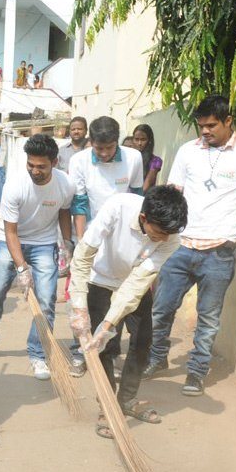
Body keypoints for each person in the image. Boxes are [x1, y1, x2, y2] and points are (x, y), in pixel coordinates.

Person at [144, 95, 236, 397]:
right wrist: (160, 238)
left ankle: (197, 372)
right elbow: (172, 195)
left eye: (212, 125)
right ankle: (156, 357)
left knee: (209, 317)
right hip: (181, 247)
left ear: (228, 121)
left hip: (220, 251)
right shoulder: (188, 152)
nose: (205, 131)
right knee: (161, 308)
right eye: (201, 126)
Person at [69, 186, 187, 438]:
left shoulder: (172, 237)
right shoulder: (118, 207)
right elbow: (82, 256)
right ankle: (107, 405)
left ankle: (127, 399)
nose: (164, 239)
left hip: (133, 281)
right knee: (105, 349)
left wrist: (108, 325)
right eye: (160, 233)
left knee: (143, 340)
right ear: (144, 218)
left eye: (169, 234)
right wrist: (79, 305)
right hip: (99, 278)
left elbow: (138, 283)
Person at [0, 135, 75, 383]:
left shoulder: (65, 184)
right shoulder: (16, 185)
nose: (35, 171)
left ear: (55, 163)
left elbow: (64, 212)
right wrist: (21, 269)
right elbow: (10, 232)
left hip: (44, 244)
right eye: (31, 165)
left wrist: (67, 244)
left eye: (41, 166)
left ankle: (37, 353)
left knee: (47, 301)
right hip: (11, 243)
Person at [68, 115, 144, 374]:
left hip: (126, 238)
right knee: (91, 299)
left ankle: (111, 354)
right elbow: (79, 203)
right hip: (93, 236)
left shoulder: (134, 158)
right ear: (91, 142)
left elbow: (138, 197)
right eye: (98, 148)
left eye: (109, 148)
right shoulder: (79, 161)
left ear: (117, 143)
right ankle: (82, 352)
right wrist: (81, 242)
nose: (103, 153)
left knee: (120, 300)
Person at [133, 124, 163, 191]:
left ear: (149, 141)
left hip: (143, 198)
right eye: (136, 139)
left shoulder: (155, 161)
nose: (139, 143)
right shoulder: (130, 158)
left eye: (143, 139)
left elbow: (147, 184)